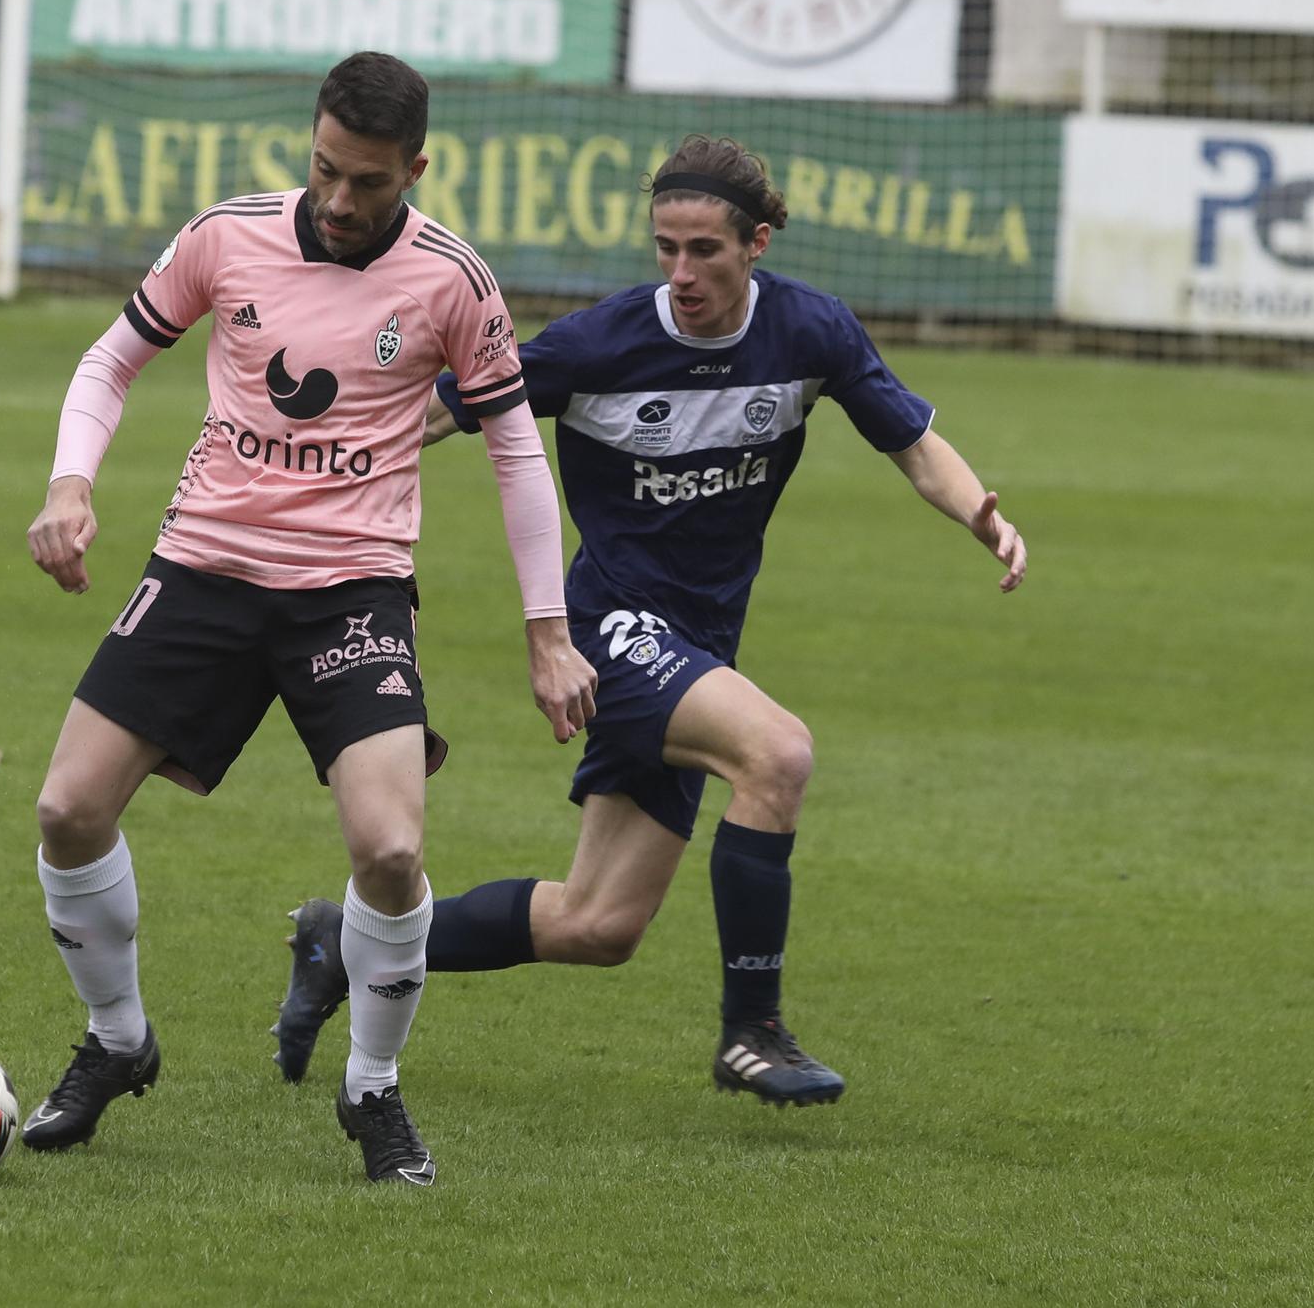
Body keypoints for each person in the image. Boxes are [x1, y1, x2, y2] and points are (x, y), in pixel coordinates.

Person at [272, 135, 1027, 1111]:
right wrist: (310, 459)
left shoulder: (810, 332)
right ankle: (751, 1033)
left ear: (754, 242)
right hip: (607, 631)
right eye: (663, 247)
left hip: (698, 646)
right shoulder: (599, 344)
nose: (680, 272)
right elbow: (439, 413)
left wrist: (980, 516)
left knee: (596, 925)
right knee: (777, 755)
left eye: (703, 250)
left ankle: (345, 943)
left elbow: (913, 444)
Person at [23, 51, 595, 1186]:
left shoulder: (452, 283)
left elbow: (515, 447)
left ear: (415, 170)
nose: (339, 201)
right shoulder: (225, 238)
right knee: (66, 810)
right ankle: (117, 1040)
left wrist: (547, 627)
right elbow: (112, 358)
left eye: (369, 183)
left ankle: (371, 1091)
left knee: (389, 849)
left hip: (351, 587)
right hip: (203, 570)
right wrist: (69, 482)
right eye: (325, 170)